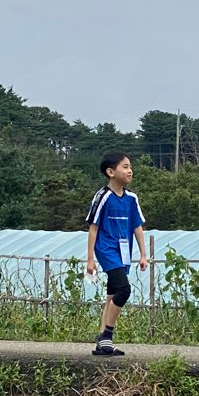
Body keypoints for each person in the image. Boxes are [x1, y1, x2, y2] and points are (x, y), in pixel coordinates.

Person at [85, 151, 147, 356]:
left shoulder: (131, 198)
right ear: (110, 172)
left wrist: (143, 254)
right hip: (106, 249)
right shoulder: (102, 196)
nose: (129, 171)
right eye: (125, 167)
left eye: (130, 166)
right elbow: (93, 228)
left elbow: (137, 226)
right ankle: (107, 335)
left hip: (124, 251)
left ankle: (103, 343)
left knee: (112, 294)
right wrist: (90, 259)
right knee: (124, 290)